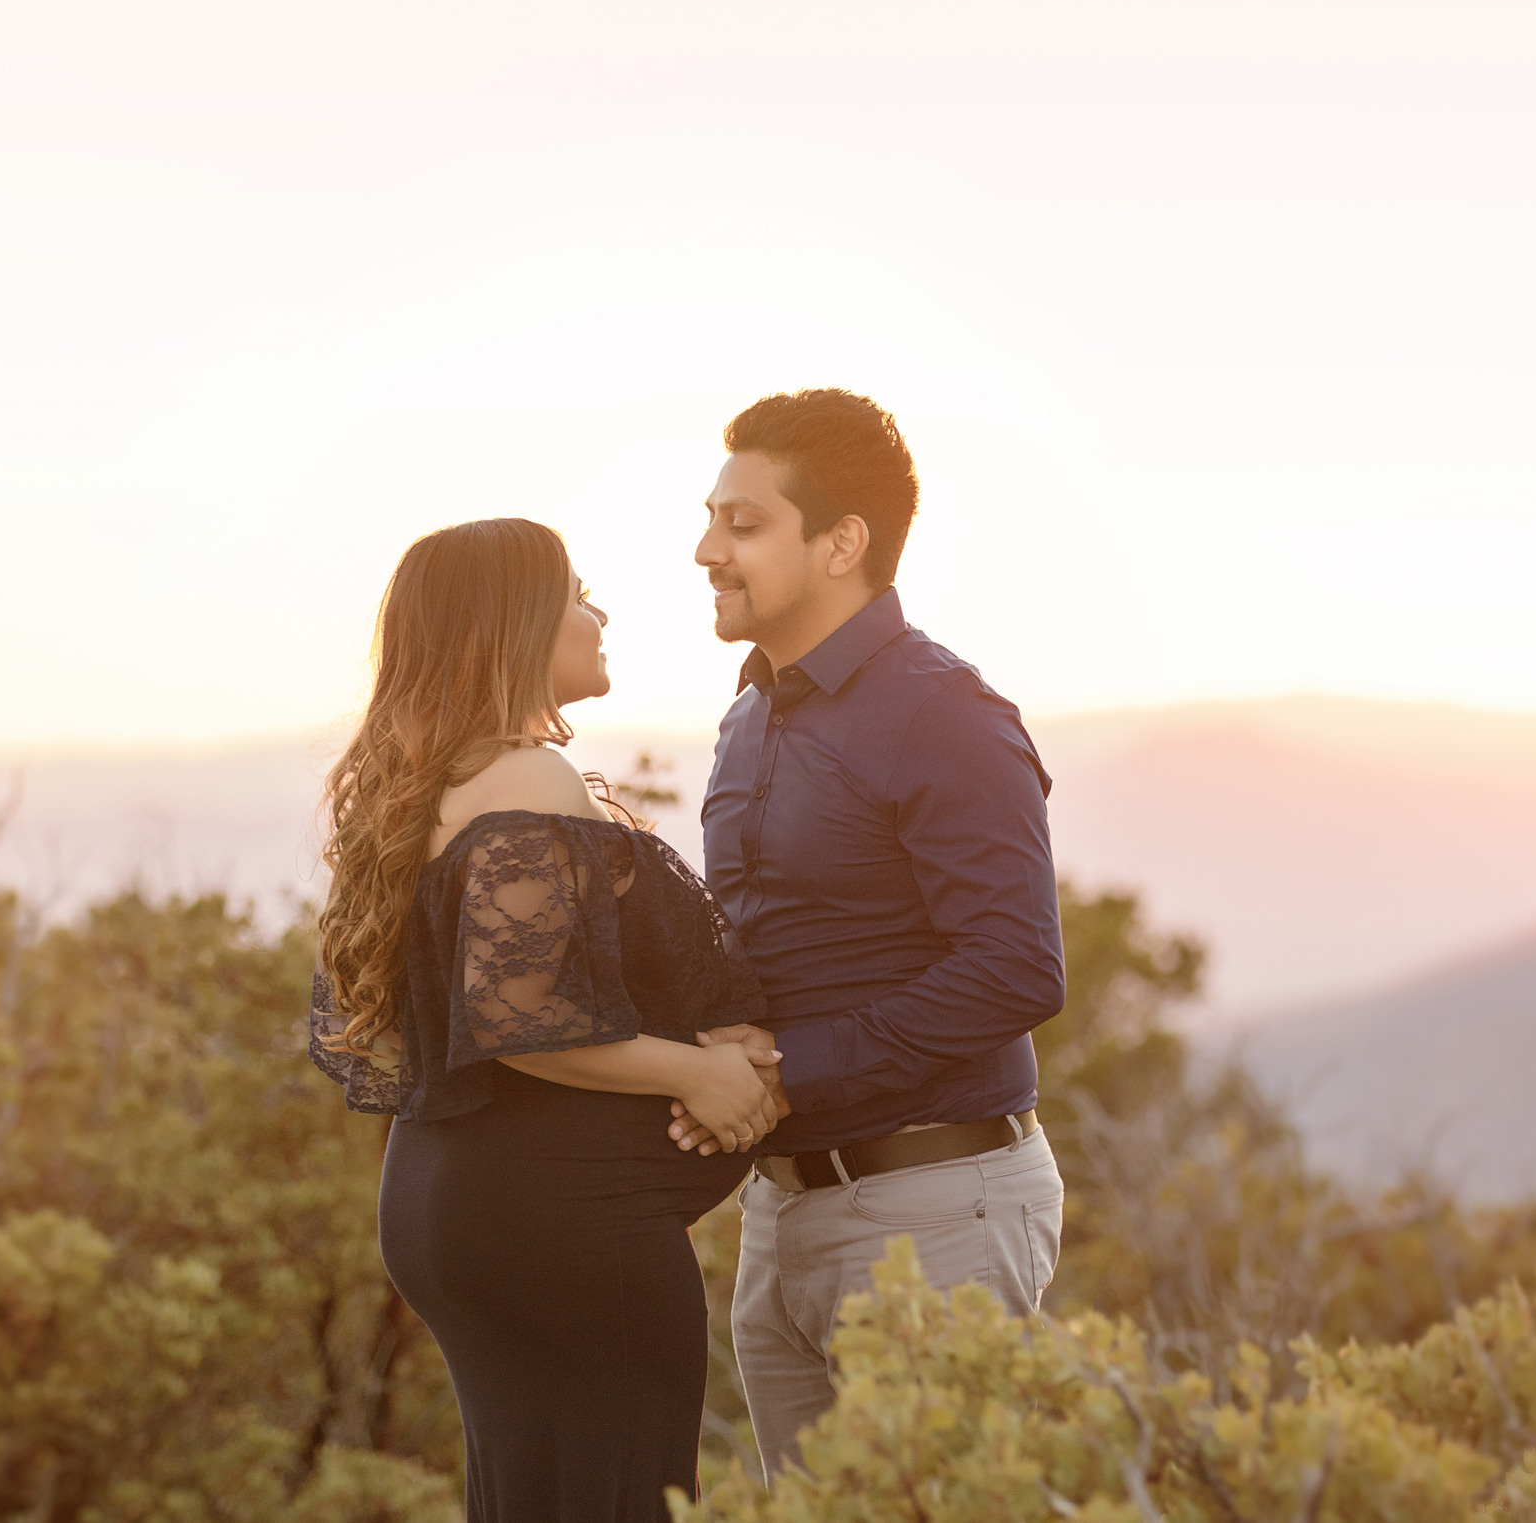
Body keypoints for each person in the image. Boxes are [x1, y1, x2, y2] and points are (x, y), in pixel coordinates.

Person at [305, 516, 783, 1523]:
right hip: (561, 1227)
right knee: (620, 1499)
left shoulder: (433, 784)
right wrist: (695, 1074)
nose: (597, 614)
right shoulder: (527, 778)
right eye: (574, 594)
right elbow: (520, 1016)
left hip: (459, 1203)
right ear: (512, 625)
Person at [669, 389, 1067, 1475]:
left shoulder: (942, 714)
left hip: (934, 1212)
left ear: (841, 542)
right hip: (784, 1214)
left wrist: (787, 1069)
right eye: (711, 518)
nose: (707, 548)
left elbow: (1017, 967)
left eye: (742, 524)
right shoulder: (749, 715)